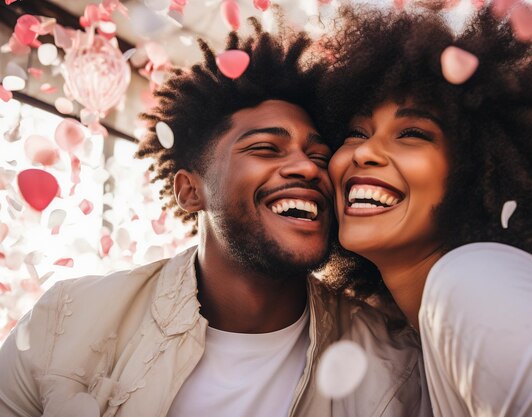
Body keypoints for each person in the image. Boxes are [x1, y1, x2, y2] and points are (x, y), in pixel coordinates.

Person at [0, 22, 429, 417]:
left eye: (319, 156)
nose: (308, 168)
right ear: (190, 191)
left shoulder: (396, 367)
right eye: (265, 148)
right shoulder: (64, 322)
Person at [319, 5, 532, 417]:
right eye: (356, 133)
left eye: (412, 134)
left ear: (478, 170)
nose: (367, 152)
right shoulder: (415, 341)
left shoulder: (472, 278)